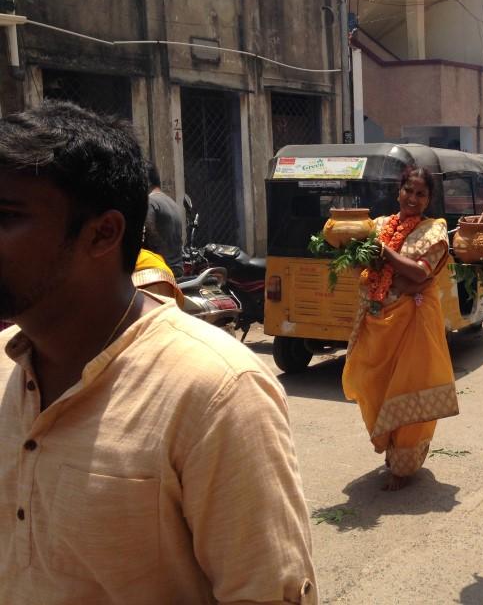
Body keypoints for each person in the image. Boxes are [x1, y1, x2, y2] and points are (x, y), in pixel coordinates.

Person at [0, 102, 317, 603]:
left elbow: (262, 589)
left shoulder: (215, 391)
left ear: (103, 232)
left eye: (6, 217)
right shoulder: (3, 367)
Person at [342, 166, 459, 491]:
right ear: (398, 191)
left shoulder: (434, 231)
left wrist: (387, 256)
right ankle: (389, 446)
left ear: (429, 199)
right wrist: (354, 254)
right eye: (409, 190)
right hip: (377, 321)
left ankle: (404, 465)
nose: (413, 197)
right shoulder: (378, 226)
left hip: (413, 326)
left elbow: (421, 275)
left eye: (421, 193)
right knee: (376, 387)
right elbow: (362, 266)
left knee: (408, 390)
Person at [144, 161, 185, 277]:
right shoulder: (172, 203)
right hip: (177, 269)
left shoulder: (150, 202)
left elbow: (147, 233)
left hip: (160, 271)